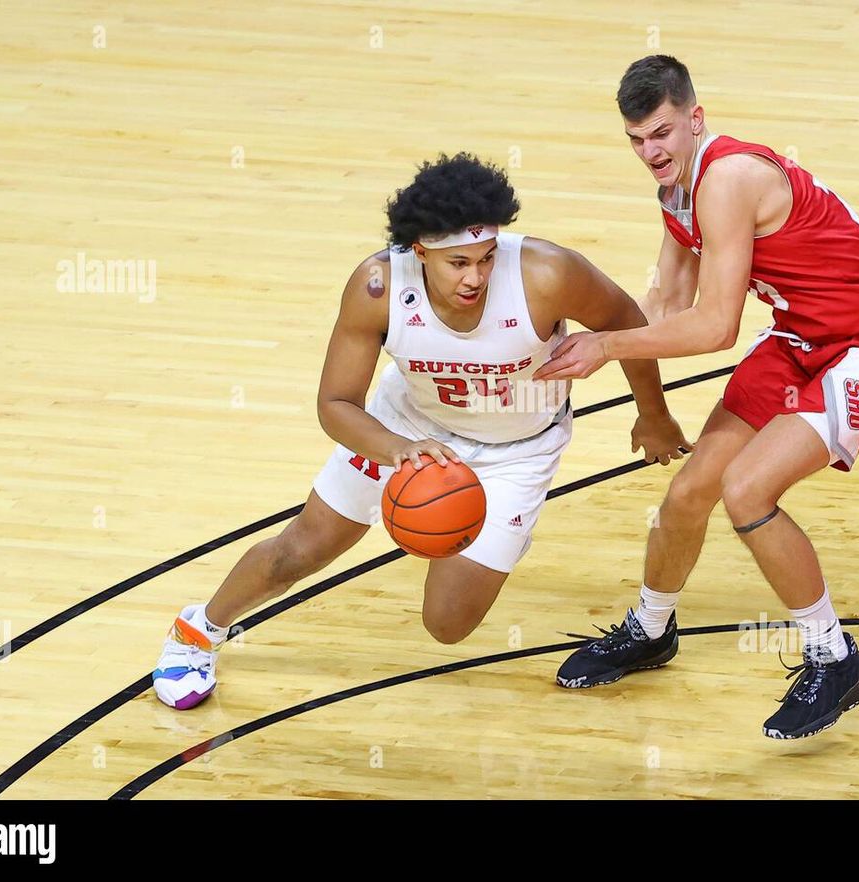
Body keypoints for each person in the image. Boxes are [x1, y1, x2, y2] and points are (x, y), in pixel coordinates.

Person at [153, 152, 690, 709]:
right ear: (420, 251)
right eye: (458, 262)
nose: (476, 276)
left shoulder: (548, 274)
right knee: (303, 548)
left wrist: (652, 414)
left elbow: (625, 319)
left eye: (485, 258)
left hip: (518, 449)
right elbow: (335, 404)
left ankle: (494, 522)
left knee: (448, 624)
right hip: (408, 427)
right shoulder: (379, 286)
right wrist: (400, 451)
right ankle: (198, 632)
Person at [540, 56, 859, 740]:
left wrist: (603, 349)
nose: (650, 152)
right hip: (801, 338)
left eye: (661, 133)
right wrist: (646, 403)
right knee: (690, 493)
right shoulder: (677, 193)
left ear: (695, 118)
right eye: (636, 140)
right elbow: (664, 305)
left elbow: (716, 328)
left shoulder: (728, 179)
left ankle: (835, 658)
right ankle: (651, 631)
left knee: (746, 491)